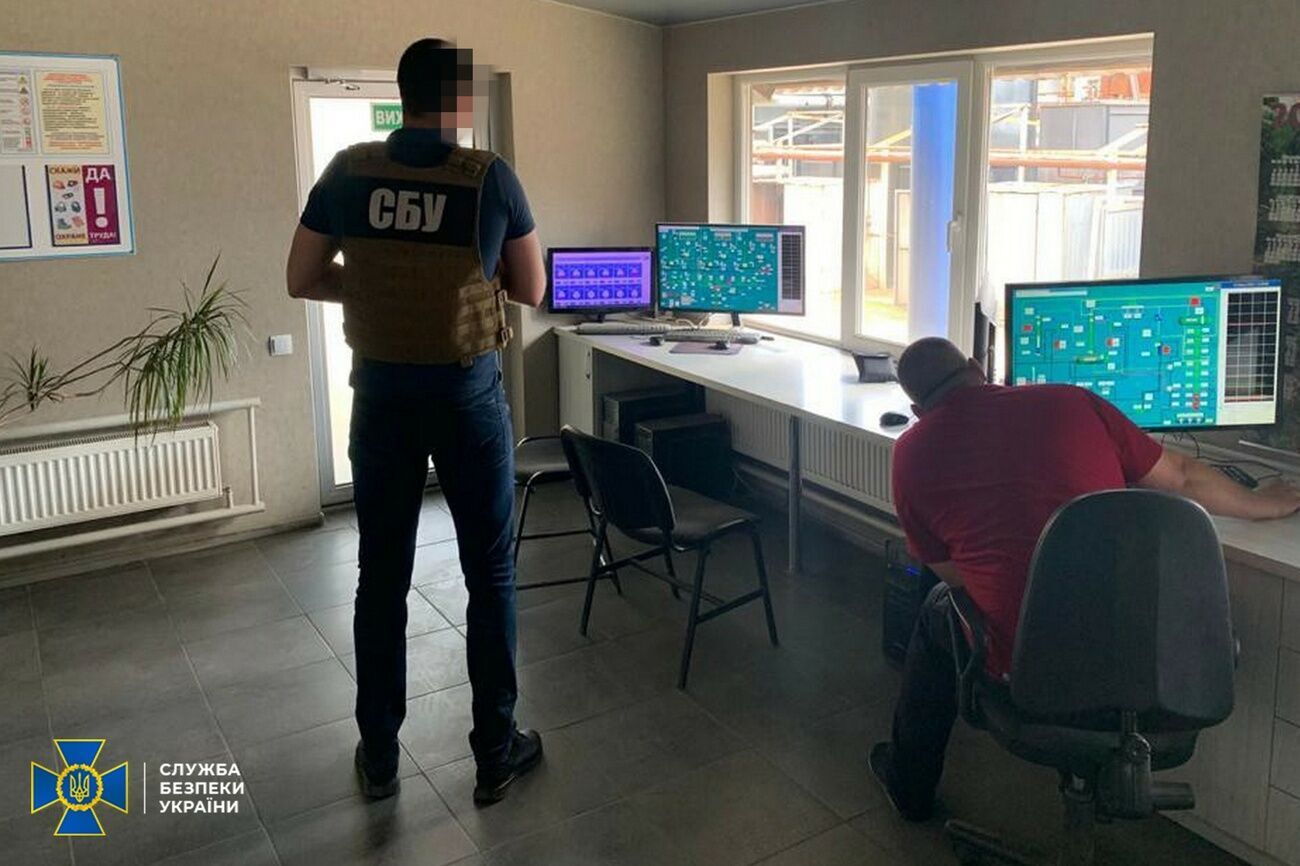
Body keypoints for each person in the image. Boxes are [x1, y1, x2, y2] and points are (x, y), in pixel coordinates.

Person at [869, 336, 1300, 821]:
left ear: (916, 409)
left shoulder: (909, 454)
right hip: (1154, 676)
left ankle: (909, 787)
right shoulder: (1071, 402)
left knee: (936, 606)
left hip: (1029, 679)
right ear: (977, 366)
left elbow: (954, 577)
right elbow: (1181, 476)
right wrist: (1266, 504)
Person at [285, 37, 547, 806]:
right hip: (467, 399)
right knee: (490, 575)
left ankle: (379, 756)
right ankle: (495, 753)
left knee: (381, 577)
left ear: (402, 96)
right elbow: (531, 288)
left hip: (382, 400)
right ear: (460, 100)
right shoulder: (490, 177)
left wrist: (373, 289)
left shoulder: (349, 171)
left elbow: (301, 276)